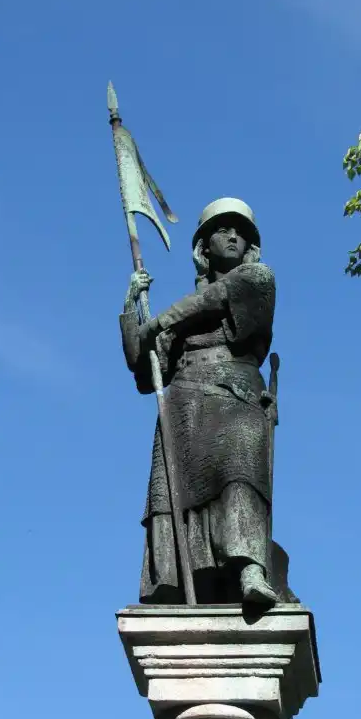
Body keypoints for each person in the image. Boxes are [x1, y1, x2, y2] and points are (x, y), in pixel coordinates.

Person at [120, 198, 278, 607]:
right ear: (204, 246)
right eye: (223, 230)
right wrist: (131, 310)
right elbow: (145, 369)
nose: (233, 236)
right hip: (185, 404)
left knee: (240, 473)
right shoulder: (181, 319)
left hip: (235, 393)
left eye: (240, 232)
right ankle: (176, 580)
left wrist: (159, 321)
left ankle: (250, 571)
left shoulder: (257, 278)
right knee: (173, 491)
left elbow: (216, 298)